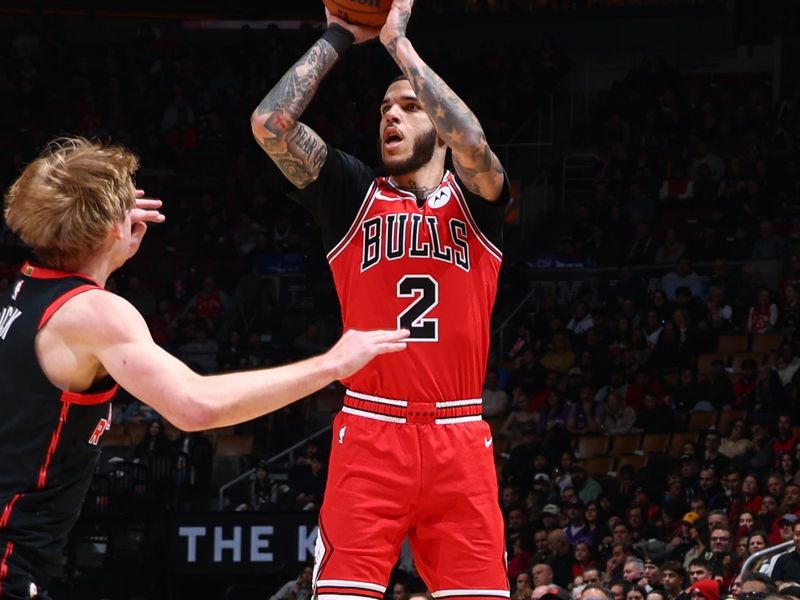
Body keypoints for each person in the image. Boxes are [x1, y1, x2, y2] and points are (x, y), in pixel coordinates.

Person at [0, 137, 409, 599]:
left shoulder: (27, 282)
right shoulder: (97, 313)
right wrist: (332, 364)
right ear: (111, 227)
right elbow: (196, 408)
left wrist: (99, 230)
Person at [251, 2, 511, 599]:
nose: (390, 115)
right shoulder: (351, 193)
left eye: (409, 107)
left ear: (438, 123)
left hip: (459, 434)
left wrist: (398, 44)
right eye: (384, 108)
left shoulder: (478, 203)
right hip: (371, 430)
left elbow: (472, 142)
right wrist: (339, 37)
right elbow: (270, 124)